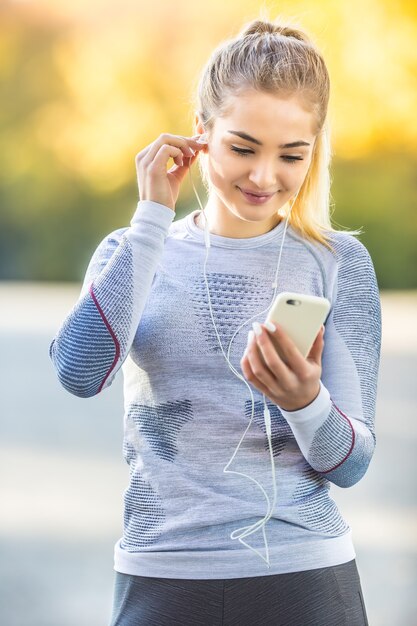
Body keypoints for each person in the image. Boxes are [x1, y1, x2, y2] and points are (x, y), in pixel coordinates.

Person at [49, 15, 381, 626]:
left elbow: (353, 463)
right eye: (242, 147)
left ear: (315, 149)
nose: (263, 176)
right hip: (162, 573)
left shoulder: (338, 262)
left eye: (291, 155)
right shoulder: (133, 250)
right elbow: (79, 371)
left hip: (304, 575)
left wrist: (305, 401)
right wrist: (151, 217)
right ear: (201, 133)